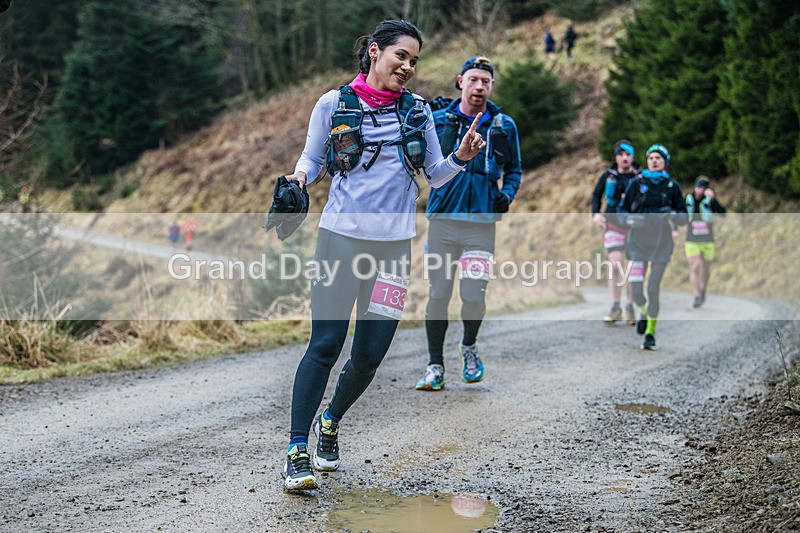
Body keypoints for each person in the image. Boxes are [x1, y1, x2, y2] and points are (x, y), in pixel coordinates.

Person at [279, 20, 485, 492]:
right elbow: (311, 159)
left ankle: (329, 422)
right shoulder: (332, 104)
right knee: (326, 345)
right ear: (374, 52)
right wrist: (297, 179)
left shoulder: (419, 113)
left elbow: (434, 174)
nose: (408, 67)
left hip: (393, 250)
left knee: (369, 356)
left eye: (414, 60)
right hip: (340, 240)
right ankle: (296, 449)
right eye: (401, 57)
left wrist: (463, 157)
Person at [415, 55, 522, 392]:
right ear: (460, 81)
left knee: (473, 295)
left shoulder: (503, 125)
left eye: (485, 81)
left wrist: (507, 194)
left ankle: (469, 347)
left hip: (481, 224)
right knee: (439, 294)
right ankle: (435, 366)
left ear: (491, 85)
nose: (479, 86)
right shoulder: (438, 118)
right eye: (473, 79)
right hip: (443, 221)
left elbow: (515, 169)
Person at [618, 144, 687, 350]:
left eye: (658, 158)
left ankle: (650, 333)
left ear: (665, 162)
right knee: (637, 291)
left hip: (662, 244)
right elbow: (621, 210)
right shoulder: (636, 183)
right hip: (638, 242)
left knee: (653, 288)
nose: (654, 161)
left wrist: (674, 215)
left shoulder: (672, 187)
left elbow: (684, 216)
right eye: (650, 158)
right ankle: (645, 312)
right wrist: (629, 219)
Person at [591, 140, 641, 325]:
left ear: (632, 157)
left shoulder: (640, 176)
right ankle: (615, 306)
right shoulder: (608, 176)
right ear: (616, 157)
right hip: (612, 225)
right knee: (615, 265)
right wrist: (596, 214)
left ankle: (629, 307)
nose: (625, 158)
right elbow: (596, 195)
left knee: (631, 268)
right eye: (621, 154)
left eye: (628, 155)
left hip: (634, 227)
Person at [684, 176, 725, 308]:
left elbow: (723, 213)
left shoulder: (710, 200)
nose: (701, 190)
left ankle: (703, 288)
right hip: (691, 239)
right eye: (699, 187)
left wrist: (713, 200)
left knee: (705, 268)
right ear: (695, 187)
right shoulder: (688, 199)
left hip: (708, 240)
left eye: (704, 187)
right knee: (695, 266)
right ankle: (696, 296)